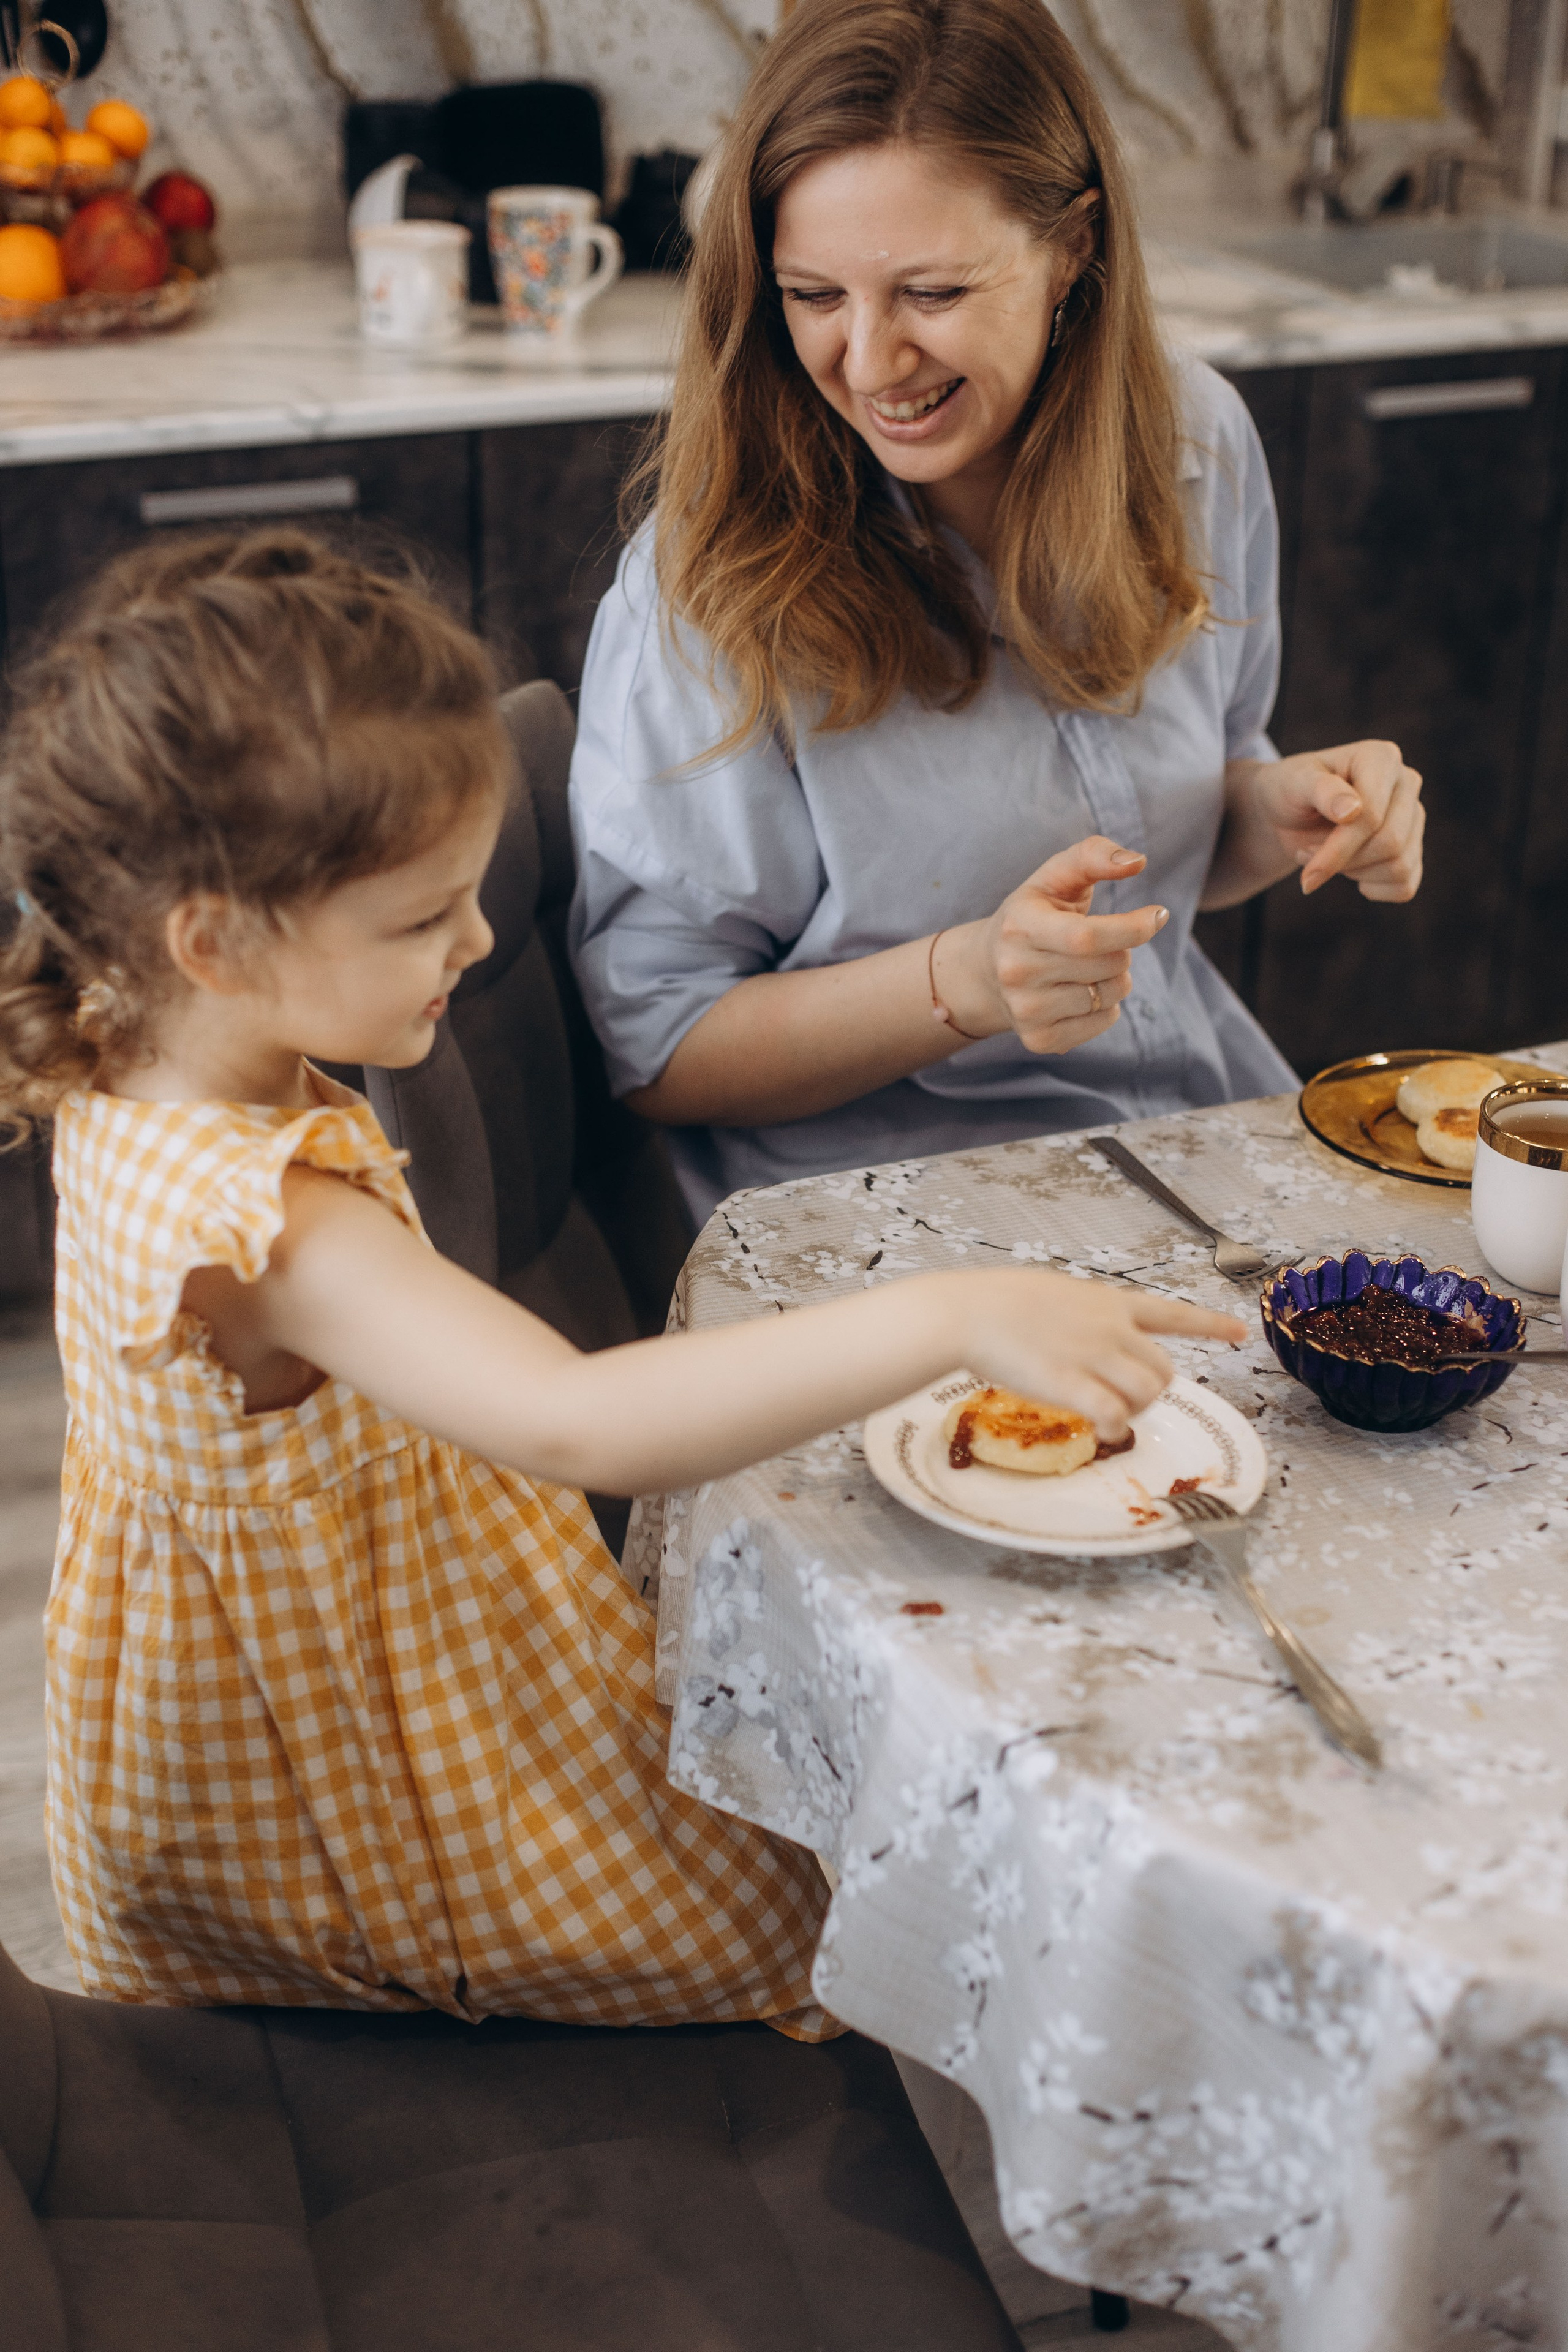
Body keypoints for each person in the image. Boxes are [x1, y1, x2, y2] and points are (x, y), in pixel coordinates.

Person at [0, 529, 1242, 2030]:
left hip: (393, 1651)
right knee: (847, 1901)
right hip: (351, 1807)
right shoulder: (265, 1228)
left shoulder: (140, 1046)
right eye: (418, 920)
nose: (472, 943)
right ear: (210, 939)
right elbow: (579, 1422)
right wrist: (953, 1309)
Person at [568, 0, 1426, 1223]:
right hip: (883, 1219)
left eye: (929, 291)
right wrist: (960, 980)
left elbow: (1169, 836)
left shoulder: (1194, 444)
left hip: (1183, 1142)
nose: (868, 362)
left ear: (1071, 248)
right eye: (812, 294)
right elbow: (661, 1053)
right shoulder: (702, 585)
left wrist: (1281, 811)